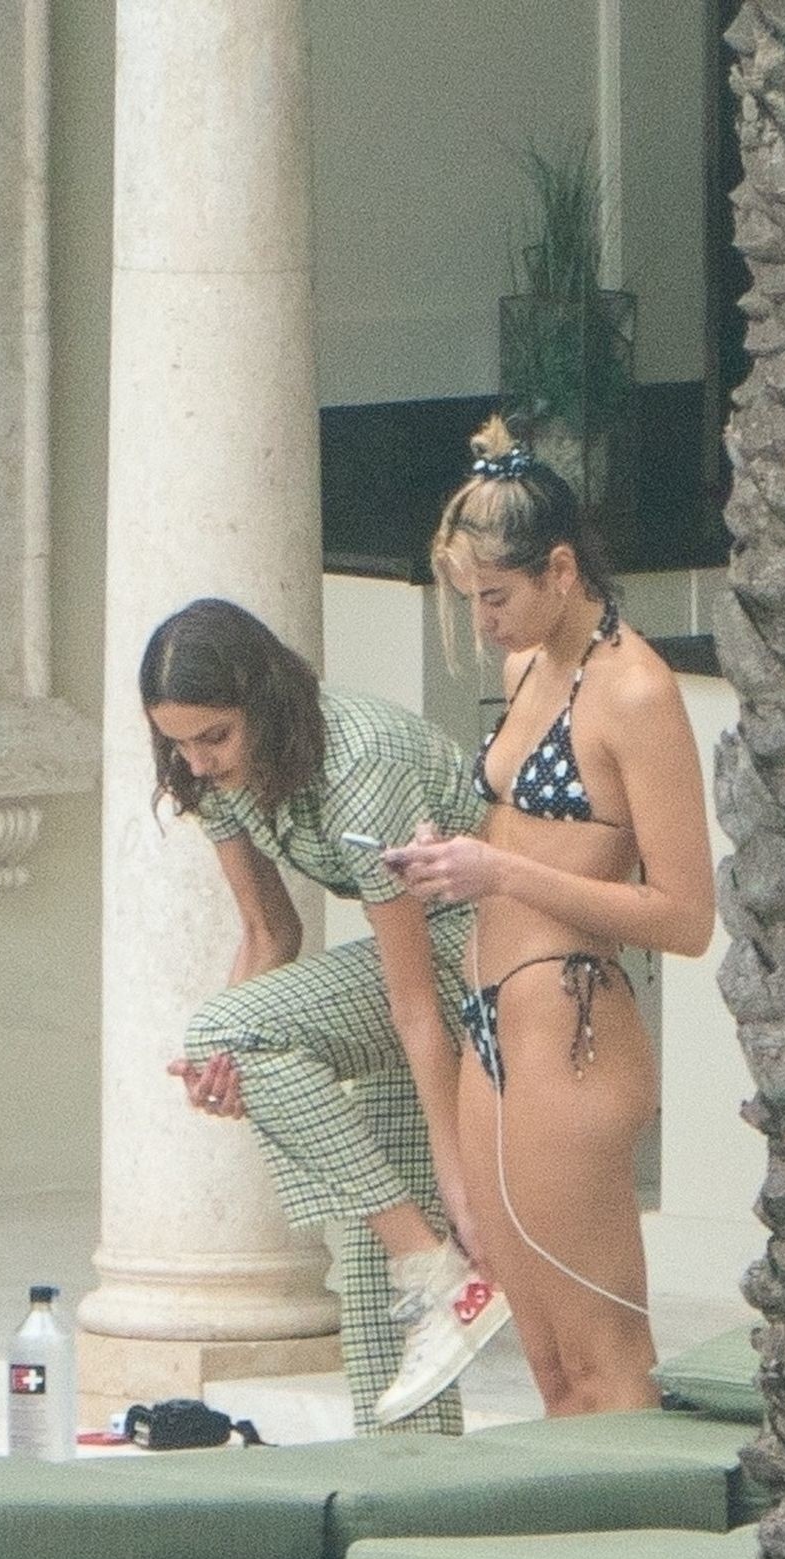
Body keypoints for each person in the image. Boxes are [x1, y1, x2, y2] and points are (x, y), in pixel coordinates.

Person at [385, 417, 715, 1418]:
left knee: (607, 1355)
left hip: (569, 1026)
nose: (483, 620)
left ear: (560, 570)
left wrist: (501, 872)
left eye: (496, 596)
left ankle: (646, 1518)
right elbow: (525, 834)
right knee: (548, 1366)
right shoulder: (529, 668)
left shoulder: (637, 692)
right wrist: (453, 852)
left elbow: (685, 917)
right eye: (470, 598)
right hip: (493, 1029)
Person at [139, 595, 509, 1435]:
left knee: (234, 1036)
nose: (196, 761)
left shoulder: (359, 765)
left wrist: (455, 1181)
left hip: (487, 945)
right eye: (178, 743)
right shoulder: (218, 778)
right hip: (419, 974)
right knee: (377, 1301)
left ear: (262, 701)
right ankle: (402, 1497)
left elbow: (416, 1007)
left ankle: (434, 1265)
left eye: (213, 736)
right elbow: (271, 932)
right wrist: (223, 1067)